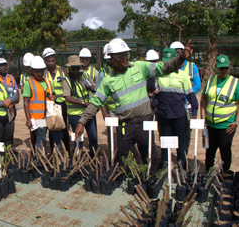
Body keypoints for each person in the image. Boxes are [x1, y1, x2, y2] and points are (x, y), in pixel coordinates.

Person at [75, 38, 194, 167]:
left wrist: (181, 58)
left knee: (149, 159)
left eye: (126, 54)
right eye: (121, 56)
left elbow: (164, 67)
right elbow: (96, 102)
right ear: (111, 59)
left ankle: (150, 180)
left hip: (145, 123)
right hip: (125, 126)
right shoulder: (108, 81)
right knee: (123, 160)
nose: (125, 58)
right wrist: (82, 122)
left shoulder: (140, 67)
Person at [155, 48, 198, 168]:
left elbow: (191, 96)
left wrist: (194, 113)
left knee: (181, 143)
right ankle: (164, 166)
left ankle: (181, 167)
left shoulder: (183, 76)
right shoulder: (159, 76)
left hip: (179, 115)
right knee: (164, 142)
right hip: (163, 115)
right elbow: (154, 94)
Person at [200, 54, 239, 172]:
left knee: (225, 151)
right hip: (211, 125)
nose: (224, 71)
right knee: (210, 151)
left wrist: (236, 122)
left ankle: (225, 174)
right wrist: (203, 117)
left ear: (229, 68)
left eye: (226, 68)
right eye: (221, 68)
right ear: (217, 68)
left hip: (226, 125)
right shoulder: (211, 80)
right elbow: (203, 99)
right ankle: (208, 172)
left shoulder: (235, 83)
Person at [170, 41, 201, 154]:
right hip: (172, 107)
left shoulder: (192, 67)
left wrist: (186, 95)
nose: (178, 54)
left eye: (179, 51)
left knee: (186, 133)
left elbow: (197, 85)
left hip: (187, 106)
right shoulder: (168, 67)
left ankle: (183, 156)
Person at [63, 55, 97, 154]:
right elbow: (67, 97)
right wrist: (83, 103)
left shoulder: (84, 76)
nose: (75, 69)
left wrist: (90, 87)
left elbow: (93, 87)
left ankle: (93, 157)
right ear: (69, 68)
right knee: (78, 137)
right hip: (74, 114)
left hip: (87, 112)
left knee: (93, 136)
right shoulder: (66, 80)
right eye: (73, 67)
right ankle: (79, 158)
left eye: (77, 67)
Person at [23, 56, 56, 151]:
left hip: (50, 115)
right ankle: (40, 160)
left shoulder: (48, 82)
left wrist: (54, 97)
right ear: (32, 71)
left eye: (42, 71)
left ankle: (43, 157)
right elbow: (26, 102)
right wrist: (28, 119)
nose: (40, 73)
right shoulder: (29, 83)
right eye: (37, 71)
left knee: (48, 138)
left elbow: (54, 94)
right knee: (40, 140)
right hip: (38, 117)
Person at [43, 47, 70, 153]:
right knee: (51, 126)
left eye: (53, 60)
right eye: (49, 61)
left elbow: (67, 88)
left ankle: (67, 151)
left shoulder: (63, 71)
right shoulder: (43, 73)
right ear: (45, 61)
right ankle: (54, 151)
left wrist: (57, 96)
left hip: (62, 103)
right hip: (49, 105)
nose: (51, 63)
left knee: (63, 127)